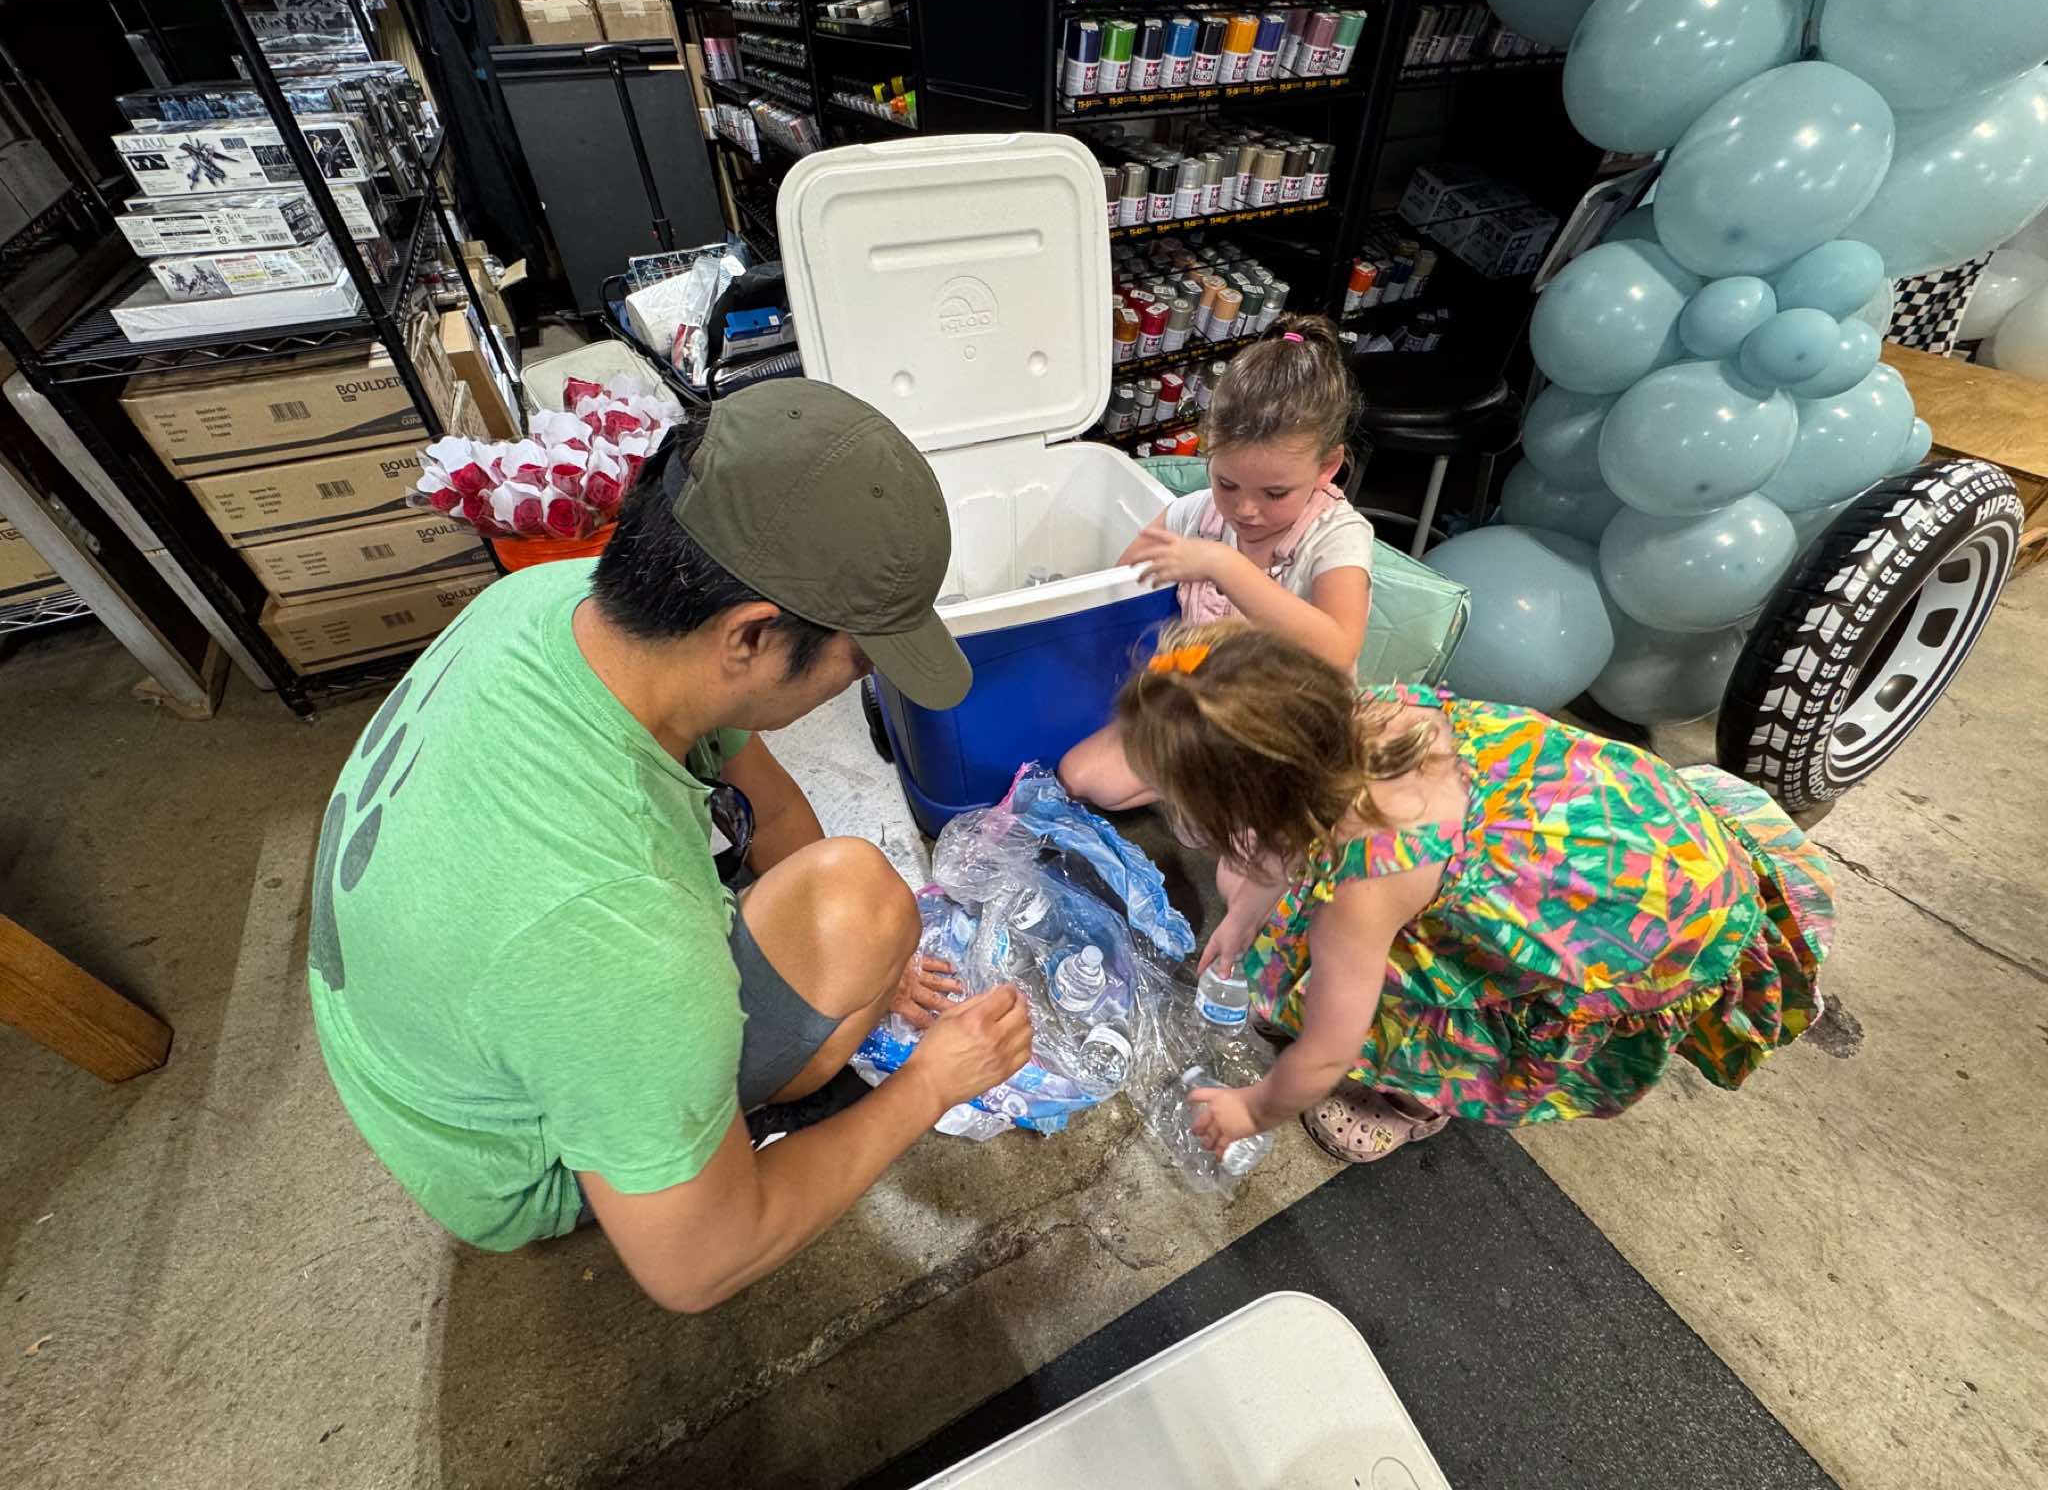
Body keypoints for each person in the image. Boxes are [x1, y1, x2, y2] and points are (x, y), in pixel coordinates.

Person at [305, 379, 1032, 1311]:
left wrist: (875, 970)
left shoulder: (552, 601)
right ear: (751, 637)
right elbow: (698, 1269)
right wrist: (930, 1084)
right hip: (509, 1162)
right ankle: (727, 1118)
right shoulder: (620, 939)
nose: (861, 680)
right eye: (860, 658)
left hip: (425, 1047)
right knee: (858, 919)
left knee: (861, 905)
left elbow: (768, 803)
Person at [1114, 622, 1834, 1163]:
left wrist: (1252, 1108)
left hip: (1641, 926)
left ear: (1254, 810)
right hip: (1640, 836)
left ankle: (1411, 1100)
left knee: (1405, 1013)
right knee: (1280, 916)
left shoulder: (1363, 893)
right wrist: (1244, 916)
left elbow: (1327, 1052)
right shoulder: (1384, 714)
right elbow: (1281, 846)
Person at [1059, 315, 1375, 810]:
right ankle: (1211, 781)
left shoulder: (1337, 536)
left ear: (1327, 467)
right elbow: (1124, 580)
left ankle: (1226, 789)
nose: (1245, 510)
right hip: (1207, 705)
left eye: (1275, 493)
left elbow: (1336, 649)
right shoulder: (1200, 513)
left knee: (1255, 838)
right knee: (1079, 776)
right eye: (1227, 483)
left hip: (1292, 725)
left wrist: (1224, 566)